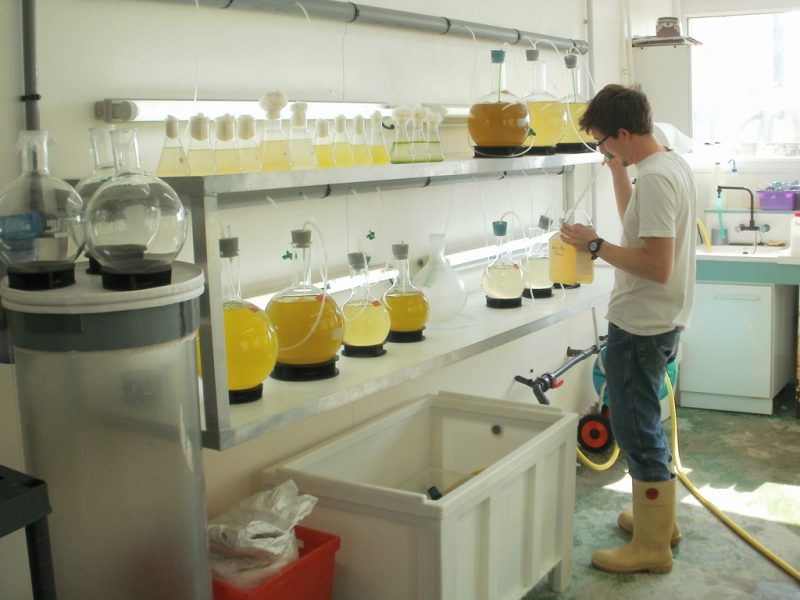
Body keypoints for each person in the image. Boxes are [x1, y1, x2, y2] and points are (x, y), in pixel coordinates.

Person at [559, 84, 696, 574]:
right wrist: (618, 172)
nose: (603, 149)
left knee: (637, 432)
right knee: (645, 424)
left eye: (603, 142)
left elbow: (656, 265)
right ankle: (659, 523)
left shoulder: (657, 179)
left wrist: (594, 246)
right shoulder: (668, 165)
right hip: (657, 321)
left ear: (622, 132)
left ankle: (652, 549)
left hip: (641, 326)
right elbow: (638, 229)